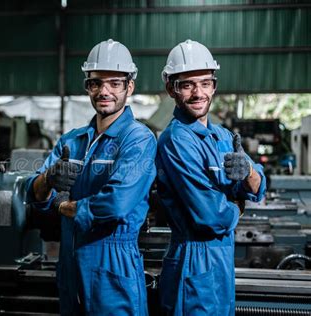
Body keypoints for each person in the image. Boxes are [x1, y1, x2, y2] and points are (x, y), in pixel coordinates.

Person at [26, 39, 157, 315]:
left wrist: (62, 206)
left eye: (114, 83)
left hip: (113, 266)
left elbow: (116, 202)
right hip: (70, 267)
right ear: (88, 86)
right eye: (96, 83)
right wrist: (49, 179)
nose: (104, 91)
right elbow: (34, 193)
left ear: (129, 86)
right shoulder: (72, 141)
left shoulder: (138, 139)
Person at [156, 39, 266, 315]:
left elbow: (259, 185)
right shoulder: (176, 141)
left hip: (221, 264)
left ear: (214, 86)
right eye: (187, 84)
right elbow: (209, 216)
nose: (198, 93)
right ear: (171, 88)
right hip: (192, 264)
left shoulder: (223, 136)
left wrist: (250, 172)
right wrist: (238, 206)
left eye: (205, 83)